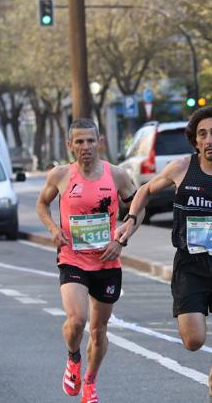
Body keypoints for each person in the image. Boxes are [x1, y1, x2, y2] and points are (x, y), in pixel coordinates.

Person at [115, 107, 212, 403]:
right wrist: (131, 220)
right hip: (190, 266)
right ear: (196, 141)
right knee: (194, 341)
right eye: (202, 134)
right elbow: (145, 191)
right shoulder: (181, 168)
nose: (209, 139)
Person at [36, 118, 138, 403]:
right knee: (78, 319)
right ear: (70, 145)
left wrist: (121, 239)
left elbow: (137, 209)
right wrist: (53, 229)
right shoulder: (60, 175)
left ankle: (90, 383)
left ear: (99, 142)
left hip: (107, 262)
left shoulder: (116, 175)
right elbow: (42, 203)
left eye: (90, 141)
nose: (85, 147)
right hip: (73, 258)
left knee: (98, 330)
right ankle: (73, 359)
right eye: (79, 142)